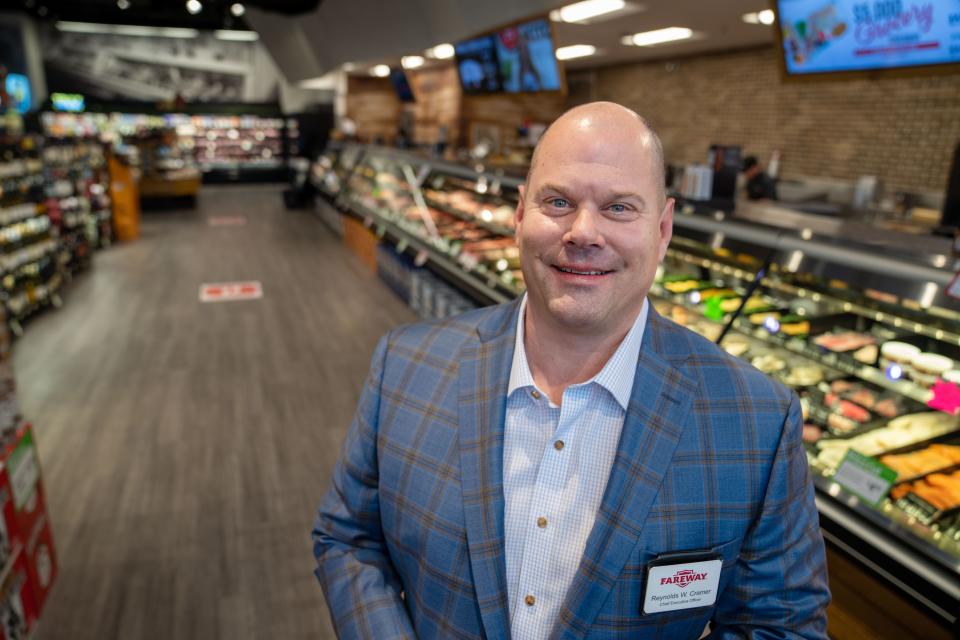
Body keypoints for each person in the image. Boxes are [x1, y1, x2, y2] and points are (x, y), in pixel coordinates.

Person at [313, 102, 830, 639]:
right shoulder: (405, 365)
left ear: (663, 228)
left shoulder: (758, 420)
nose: (583, 232)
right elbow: (348, 540)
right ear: (519, 216)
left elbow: (780, 624)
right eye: (558, 201)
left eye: (620, 208)